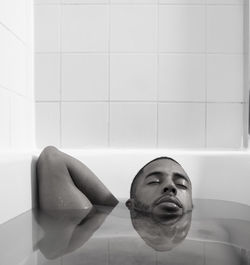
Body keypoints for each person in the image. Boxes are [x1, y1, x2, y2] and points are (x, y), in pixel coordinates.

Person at [37, 146, 193, 218]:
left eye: (181, 185)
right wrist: (111, 206)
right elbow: (52, 158)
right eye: (154, 181)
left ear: (191, 205)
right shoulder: (97, 222)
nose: (170, 187)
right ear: (131, 204)